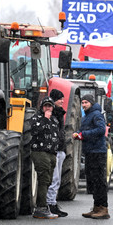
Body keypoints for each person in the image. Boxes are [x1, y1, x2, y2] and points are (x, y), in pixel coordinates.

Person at [74, 94, 109, 219]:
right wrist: (78, 133)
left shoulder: (96, 115)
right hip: (90, 151)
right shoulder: (87, 116)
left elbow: (101, 130)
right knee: (93, 181)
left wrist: (84, 135)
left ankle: (103, 208)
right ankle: (96, 207)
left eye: (86, 103)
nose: (84, 105)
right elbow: (85, 130)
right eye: (82, 103)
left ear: (91, 103)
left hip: (97, 152)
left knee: (99, 181)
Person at [29, 97, 60, 219]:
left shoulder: (54, 120)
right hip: (40, 151)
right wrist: (45, 119)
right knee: (44, 179)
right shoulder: (37, 118)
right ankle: (41, 207)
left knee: (49, 180)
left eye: (50, 106)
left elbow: (57, 135)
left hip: (51, 153)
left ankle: (44, 205)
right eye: (46, 106)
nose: (48, 108)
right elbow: (35, 131)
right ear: (42, 107)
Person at [46, 89, 68, 217]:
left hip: (60, 149)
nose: (62, 101)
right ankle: (50, 204)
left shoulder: (59, 114)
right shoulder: (52, 114)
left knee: (57, 179)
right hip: (55, 150)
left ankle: (53, 203)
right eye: (60, 99)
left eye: (63, 99)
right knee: (53, 179)